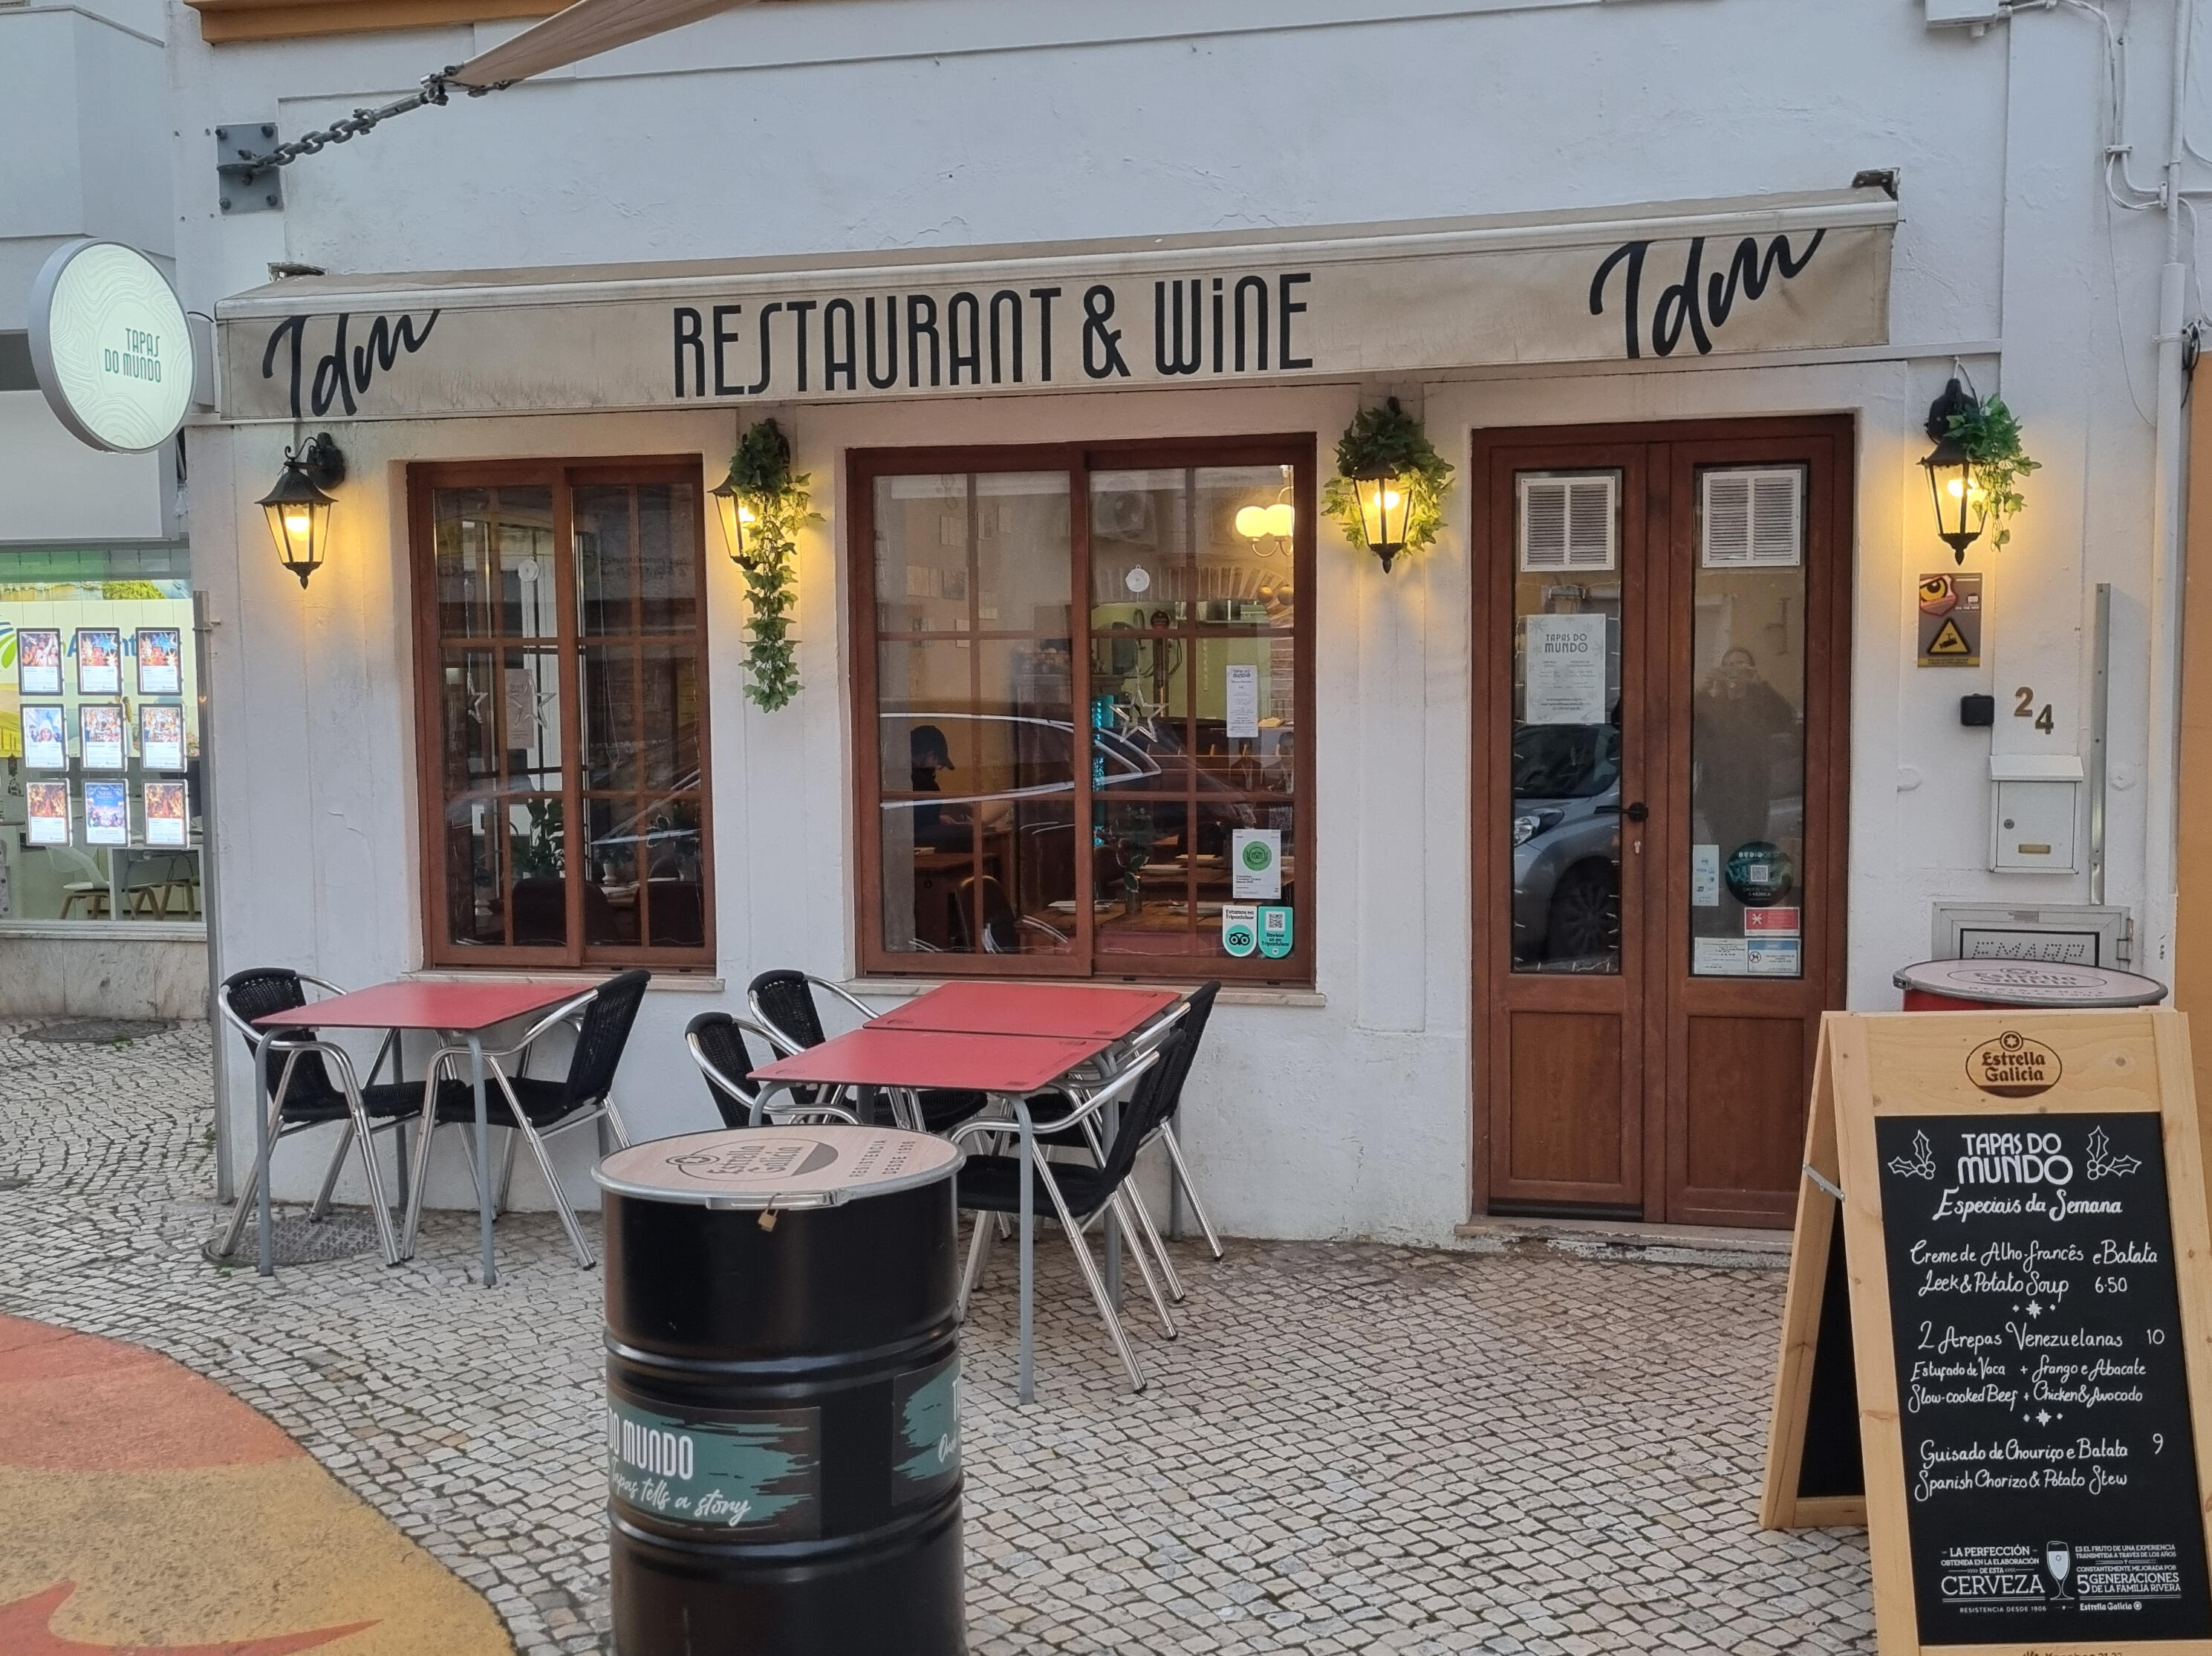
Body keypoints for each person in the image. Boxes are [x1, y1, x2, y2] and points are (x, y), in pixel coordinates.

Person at [1691, 646, 1795, 854]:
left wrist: (1760, 683)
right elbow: (1691, 727)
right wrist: (1703, 690)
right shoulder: (1714, 705)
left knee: (1750, 849)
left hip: (1753, 791)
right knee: (1723, 848)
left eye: (1741, 664)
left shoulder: (1760, 705)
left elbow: (1785, 717)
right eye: (1729, 665)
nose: (1735, 670)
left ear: (1751, 670)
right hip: (1717, 792)